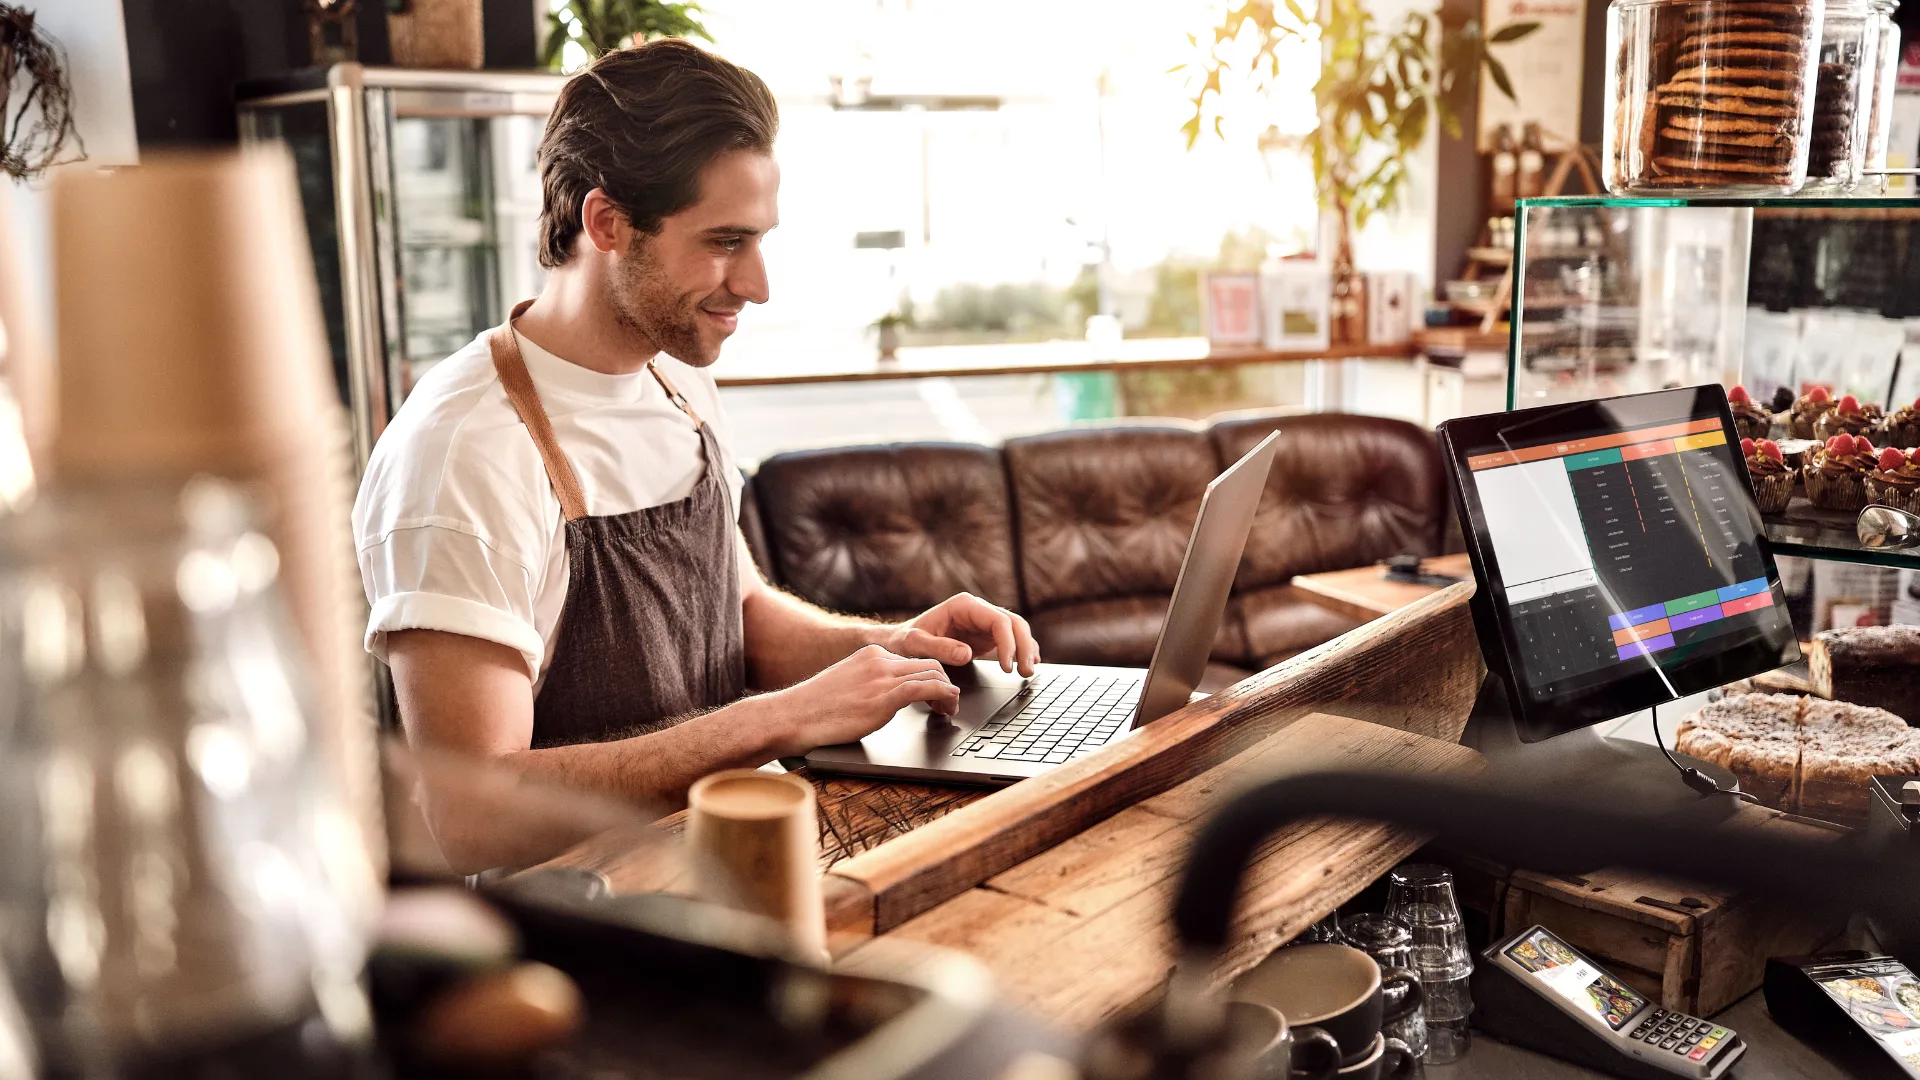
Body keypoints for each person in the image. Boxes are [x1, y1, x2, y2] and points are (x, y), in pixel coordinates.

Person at [352, 40, 1038, 861]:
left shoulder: (676, 376)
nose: (757, 285)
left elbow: (736, 610)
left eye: (759, 241)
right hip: (580, 939)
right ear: (606, 223)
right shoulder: (465, 454)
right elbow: (470, 815)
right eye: (724, 242)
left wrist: (891, 652)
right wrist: (780, 718)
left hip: (715, 874)